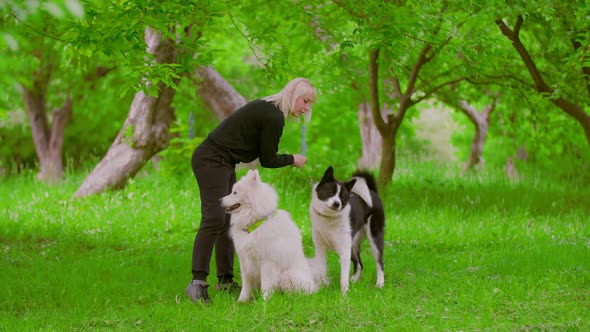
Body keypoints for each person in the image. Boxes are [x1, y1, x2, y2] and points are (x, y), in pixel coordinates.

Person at [185, 77, 317, 304]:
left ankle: (226, 280)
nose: (306, 108)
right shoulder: (274, 115)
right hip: (211, 158)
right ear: (293, 94)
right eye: (305, 101)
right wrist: (293, 159)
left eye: (310, 104)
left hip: (224, 161)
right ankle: (197, 283)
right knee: (215, 219)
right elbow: (268, 159)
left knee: (228, 219)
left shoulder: (270, 109)